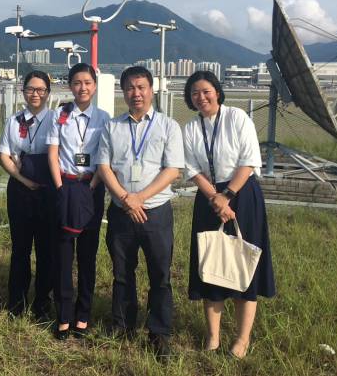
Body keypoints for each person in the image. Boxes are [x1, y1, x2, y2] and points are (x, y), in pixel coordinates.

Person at [182, 70, 275, 358]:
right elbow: (190, 168)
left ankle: (241, 340)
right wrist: (214, 197)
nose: (201, 97)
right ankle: (212, 337)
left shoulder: (237, 117)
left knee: (242, 264)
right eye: (195, 93)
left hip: (242, 194)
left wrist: (228, 196)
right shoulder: (189, 127)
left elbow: (249, 160)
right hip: (208, 197)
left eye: (206, 91)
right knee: (211, 262)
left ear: (218, 91)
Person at [96, 66, 183, 357]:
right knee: (122, 273)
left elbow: (172, 169)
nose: (137, 93)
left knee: (160, 275)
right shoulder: (112, 126)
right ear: (124, 91)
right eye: (131, 88)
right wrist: (124, 198)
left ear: (151, 89)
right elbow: (104, 166)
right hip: (121, 211)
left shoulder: (167, 125)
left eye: (142, 86)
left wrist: (140, 198)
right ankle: (122, 325)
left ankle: (159, 332)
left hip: (155, 212)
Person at [46, 63, 111, 340]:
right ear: (69, 86)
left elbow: (105, 155)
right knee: (62, 255)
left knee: (87, 254)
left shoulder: (105, 118)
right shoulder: (59, 115)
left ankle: (82, 315)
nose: (82, 88)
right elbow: (53, 153)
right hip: (65, 184)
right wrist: (61, 188)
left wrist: (93, 186)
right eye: (76, 82)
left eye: (87, 82)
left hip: (91, 186)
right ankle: (63, 316)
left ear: (94, 86)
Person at [0, 71, 55, 321]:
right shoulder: (13, 120)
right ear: (23, 92)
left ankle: (42, 304)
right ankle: (16, 302)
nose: (36, 94)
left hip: (48, 191)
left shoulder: (56, 119)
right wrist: (23, 179)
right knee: (20, 249)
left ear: (48, 93)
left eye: (41, 89)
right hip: (20, 191)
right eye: (31, 89)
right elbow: (4, 155)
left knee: (46, 250)